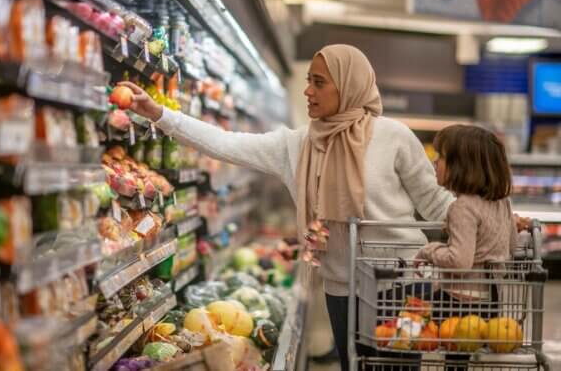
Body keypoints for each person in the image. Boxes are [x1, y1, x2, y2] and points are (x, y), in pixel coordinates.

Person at [120, 44, 455, 371]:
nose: (308, 91)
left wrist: (491, 222)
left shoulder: (394, 137)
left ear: (350, 85)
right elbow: (225, 143)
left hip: (402, 283)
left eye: (319, 83)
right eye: (308, 80)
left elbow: (435, 200)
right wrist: (160, 114)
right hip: (341, 287)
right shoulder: (296, 145)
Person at [414, 125, 518, 371]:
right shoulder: (502, 202)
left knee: (408, 316)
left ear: (463, 165)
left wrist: (428, 250)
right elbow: (512, 245)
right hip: (490, 303)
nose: (435, 163)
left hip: (458, 304)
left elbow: (459, 261)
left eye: (441, 157)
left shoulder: (462, 207)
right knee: (459, 361)